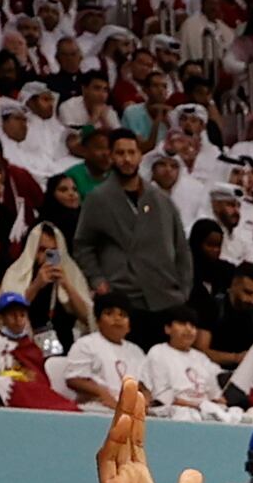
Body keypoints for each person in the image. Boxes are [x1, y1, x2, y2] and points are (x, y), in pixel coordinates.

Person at [72, 128, 189, 342]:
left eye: (131, 153)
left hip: (164, 296)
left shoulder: (160, 199)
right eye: (120, 153)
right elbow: (83, 245)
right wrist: (98, 280)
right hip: (124, 297)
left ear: (139, 155)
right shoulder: (98, 199)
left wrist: (183, 289)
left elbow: (181, 248)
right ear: (111, 156)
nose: (126, 159)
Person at [55, 292, 144, 411]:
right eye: (109, 313)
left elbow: (143, 385)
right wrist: (103, 394)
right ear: (98, 321)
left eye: (122, 315)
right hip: (97, 405)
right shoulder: (86, 344)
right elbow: (74, 380)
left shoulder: (136, 351)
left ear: (129, 326)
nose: (117, 319)